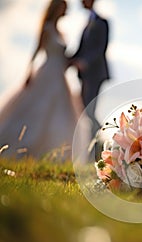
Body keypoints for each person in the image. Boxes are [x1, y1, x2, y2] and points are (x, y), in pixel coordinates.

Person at [0, 0, 80, 159]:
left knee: (59, 113)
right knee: (36, 109)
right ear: (57, 8)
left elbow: (64, 59)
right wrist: (28, 73)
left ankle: (50, 153)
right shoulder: (47, 29)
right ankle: (20, 146)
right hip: (47, 72)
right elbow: (36, 50)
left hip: (60, 77)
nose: (67, 11)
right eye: (64, 8)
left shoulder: (62, 33)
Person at [70, 0, 110, 143]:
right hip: (84, 75)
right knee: (84, 110)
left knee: (88, 110)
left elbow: (100, 48)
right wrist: (67, 60)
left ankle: (103, 141)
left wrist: (85, 62)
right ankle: (93, 143)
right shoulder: (86, 23)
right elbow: (81, 49)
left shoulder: (102, 22)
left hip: (95, 74)